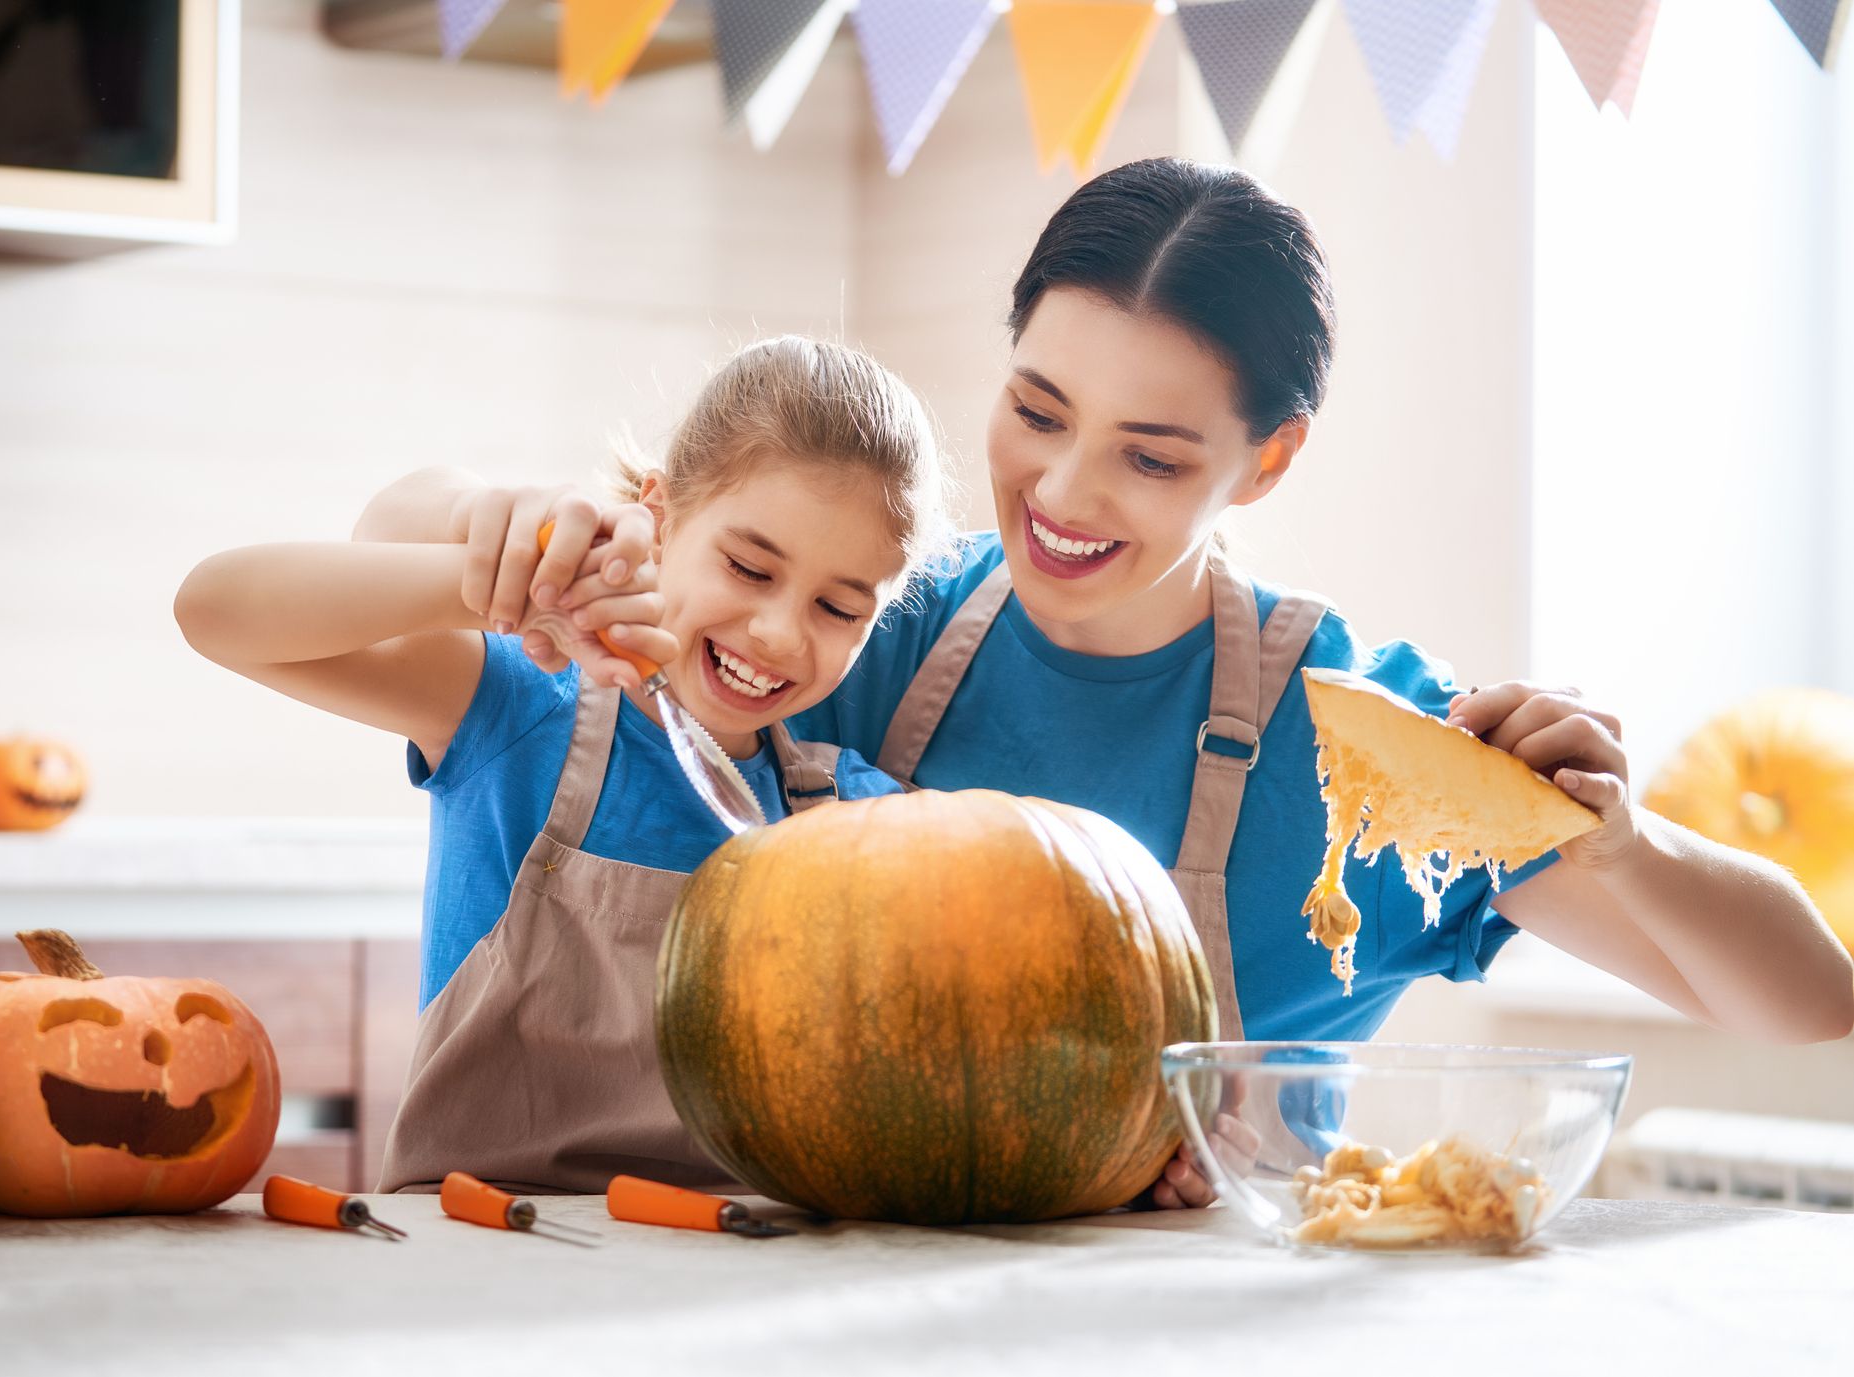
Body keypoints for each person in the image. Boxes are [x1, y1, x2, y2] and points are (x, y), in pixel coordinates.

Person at [422, 160, 1852, 1212]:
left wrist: (1624, 842)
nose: (1061, 488)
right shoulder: (867, 630)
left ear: (1269, 460)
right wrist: (508, 513)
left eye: (1151, 456)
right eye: (1036, 409)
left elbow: (1805, 1001)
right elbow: (443, 588)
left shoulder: (1355, 740)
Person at [177, 336, 953, 1193]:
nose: (777, 631)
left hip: (738, 1269)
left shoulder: (862, 821)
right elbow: (212, 607)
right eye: (748, 566)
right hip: (486, 1257)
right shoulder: (526, 707)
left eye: (838, 607)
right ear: (658, 517)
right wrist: (508, 590)